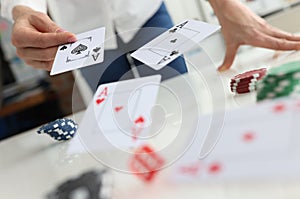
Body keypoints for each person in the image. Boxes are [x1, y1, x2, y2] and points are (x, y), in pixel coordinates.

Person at [1, 0, 300, 90]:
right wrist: (22, 9)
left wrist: (223, 3)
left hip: (145, 11)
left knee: (186, 106)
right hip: (81, 33)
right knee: (121, 130)